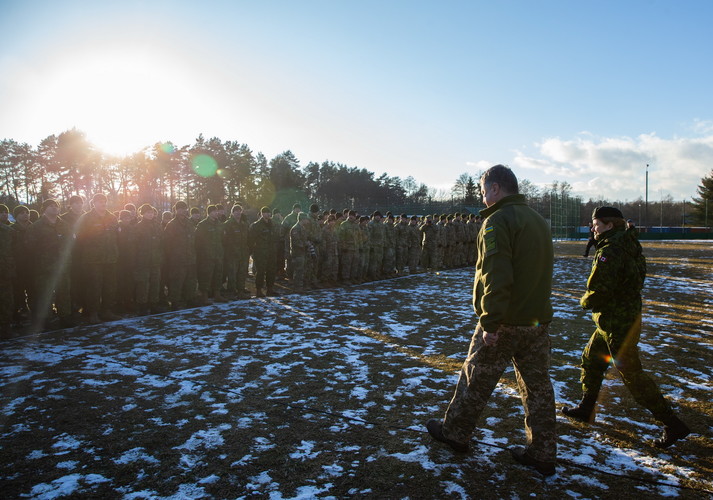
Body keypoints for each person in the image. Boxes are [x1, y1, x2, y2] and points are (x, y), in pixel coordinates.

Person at [426, 164, 557, 476]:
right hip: (536, 321)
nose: (483, 197)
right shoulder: (537, 220)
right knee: (538, 389)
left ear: (496, 188)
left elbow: (496, 275)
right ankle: (543, 452)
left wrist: (490, 322)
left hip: (505, 320)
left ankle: (455, 433)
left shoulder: (497, 220)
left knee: (476, 378)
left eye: (484, 191)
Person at [562, 206, 690, 448]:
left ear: (609, 225)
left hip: (616, 322)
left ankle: (672, 423)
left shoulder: (610, 250)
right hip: (618, 318)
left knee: (632, 375)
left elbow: (599, 290)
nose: (593, 229)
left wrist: (584, 301)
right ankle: (587, 407)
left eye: (596, 224)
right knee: (591, 359)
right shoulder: (629, 243)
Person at [27, 199, 74, 329]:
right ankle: (45, 320)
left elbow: (70, 242)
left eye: (56, 206)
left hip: (61, 265)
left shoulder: (64, 225)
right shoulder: (36, 227)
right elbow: (29, 247)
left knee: (64, 292)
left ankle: (65, 317)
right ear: (44, 209)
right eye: (51, 206)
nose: (54, 208)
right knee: (45, 294)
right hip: (44, 266)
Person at [75, 193, 121, 324]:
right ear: (93, 203)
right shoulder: (86, 218)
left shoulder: (112, 217)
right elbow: (79, 238)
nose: (103, 203)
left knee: (110, 286)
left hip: (110, 258)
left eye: (104, 201)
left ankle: (106, 310)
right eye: (100, 201)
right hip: (93, 259)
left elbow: (117, 236)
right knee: (94, 287)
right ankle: (93, 313)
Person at [249, 206, 280, 297]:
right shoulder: (256, 225)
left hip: (271, 252)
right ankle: (259, 290)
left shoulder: (273, 224)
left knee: (271, 271)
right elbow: (251, 239)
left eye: (269, 212)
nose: (268, 214)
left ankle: (270, 289)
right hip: (260, 252)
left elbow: (277, 237)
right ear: (262, 214)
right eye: (266, 213)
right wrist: (252, 252)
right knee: (260, 272)